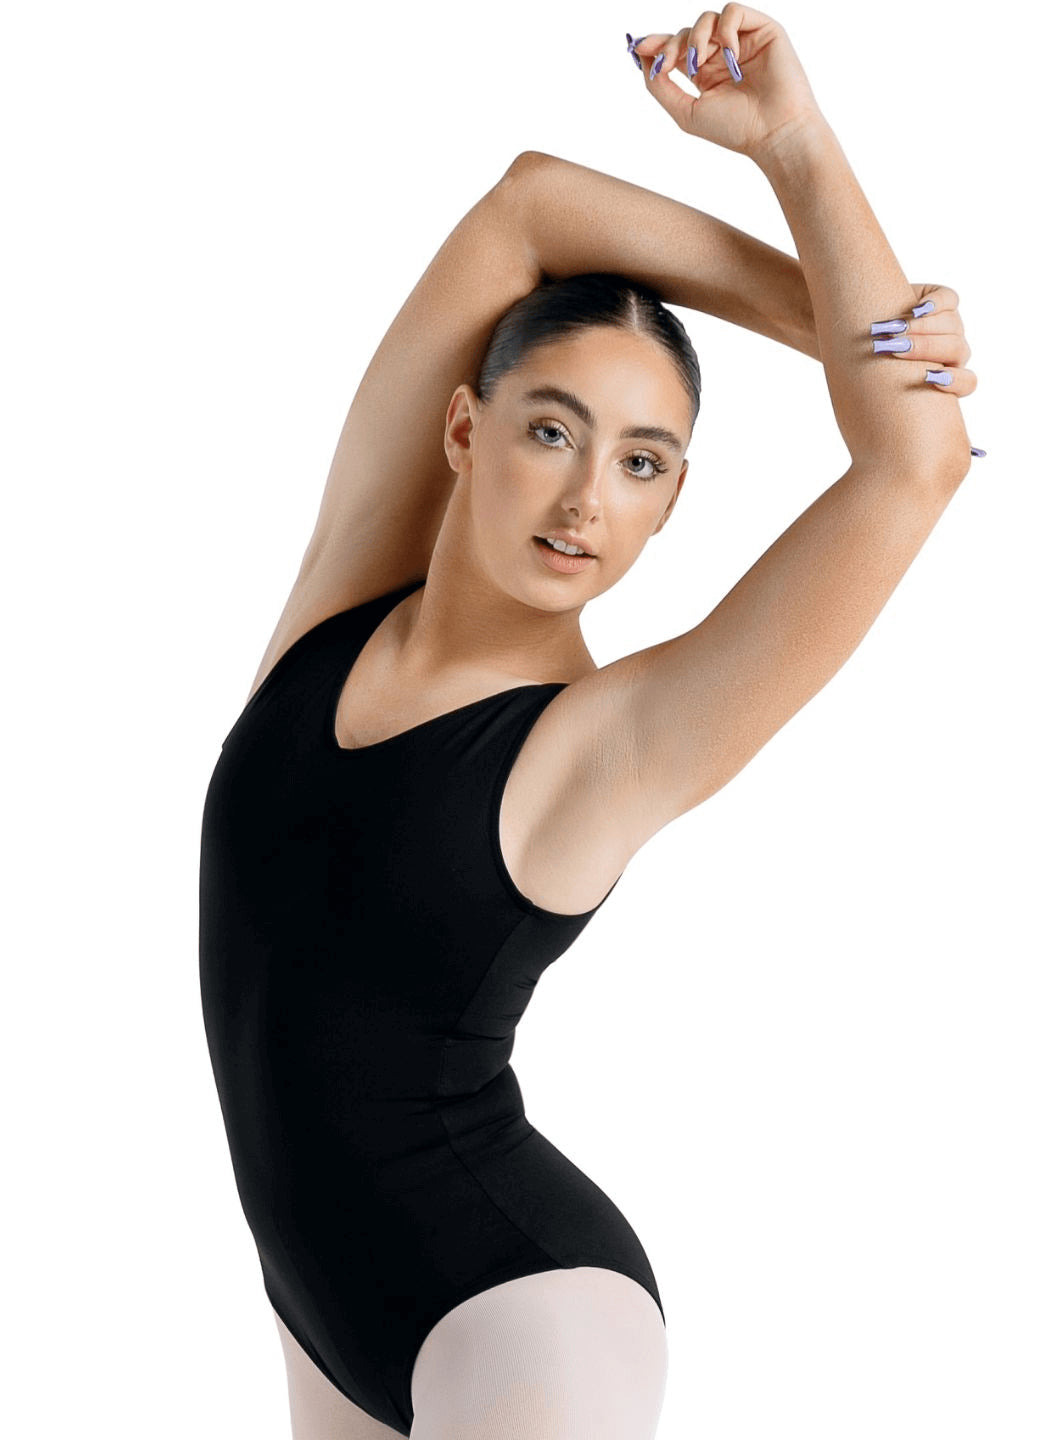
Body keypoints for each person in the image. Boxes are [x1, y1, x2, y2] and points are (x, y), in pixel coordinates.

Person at [199, 7, 980, 1437]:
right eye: (553, 430)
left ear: (671, 503)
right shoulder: (344, 599)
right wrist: (825, 323)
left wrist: (798, 146)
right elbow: (535, 204)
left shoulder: (602, 743)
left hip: (521, 1323)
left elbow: (917, 457)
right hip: (319, 1314)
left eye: (642, 464)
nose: (583, 502)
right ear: (464, 431)